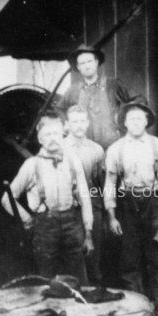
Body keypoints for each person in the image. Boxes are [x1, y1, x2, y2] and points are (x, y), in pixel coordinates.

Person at [104, 100, 158, 316]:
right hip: (127, 205)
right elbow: (110, 184)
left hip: (154, 203)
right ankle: (137, 310)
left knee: (157, 256)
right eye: (132, 119)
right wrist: (111, 215)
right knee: (130, 257)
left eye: (140, 118)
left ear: (147, 121)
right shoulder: (116, 149)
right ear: (125, 123)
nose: (136, 122)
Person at [1, 113, 93, 281]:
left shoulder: (73, 161)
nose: (52, 138)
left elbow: (85, 198)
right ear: (40, 139)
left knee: (80, 281)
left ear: (63, 135)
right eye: (47, 134)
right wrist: (27, 220)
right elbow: (6, 199)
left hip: (73, 227)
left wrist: (88, 232)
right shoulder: (31, 165)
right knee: (47, 281)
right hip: (45, 229)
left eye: (56, 134)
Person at [57, 44, 137, 150]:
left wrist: (123, 117)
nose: (87, 66)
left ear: (96, 62)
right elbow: (59, 108)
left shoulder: (112, 84)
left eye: (89, 61)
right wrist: (66, 124)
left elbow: (138, 100)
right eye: (82, 63)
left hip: (112, 147)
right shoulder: (74, 90)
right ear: (78, 67)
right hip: (85, 149)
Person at [65, 104, 106, 288]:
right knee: (71, 256)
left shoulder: (97, 150)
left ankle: (94, 293)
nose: (79, 125)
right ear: (67, 124)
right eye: (74, 122)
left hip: (92, 204)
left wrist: (103, 211)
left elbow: (102, 184)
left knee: (92, 254)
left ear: (88, 123)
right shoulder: (60, 147)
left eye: (82, 121)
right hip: (68, 208)